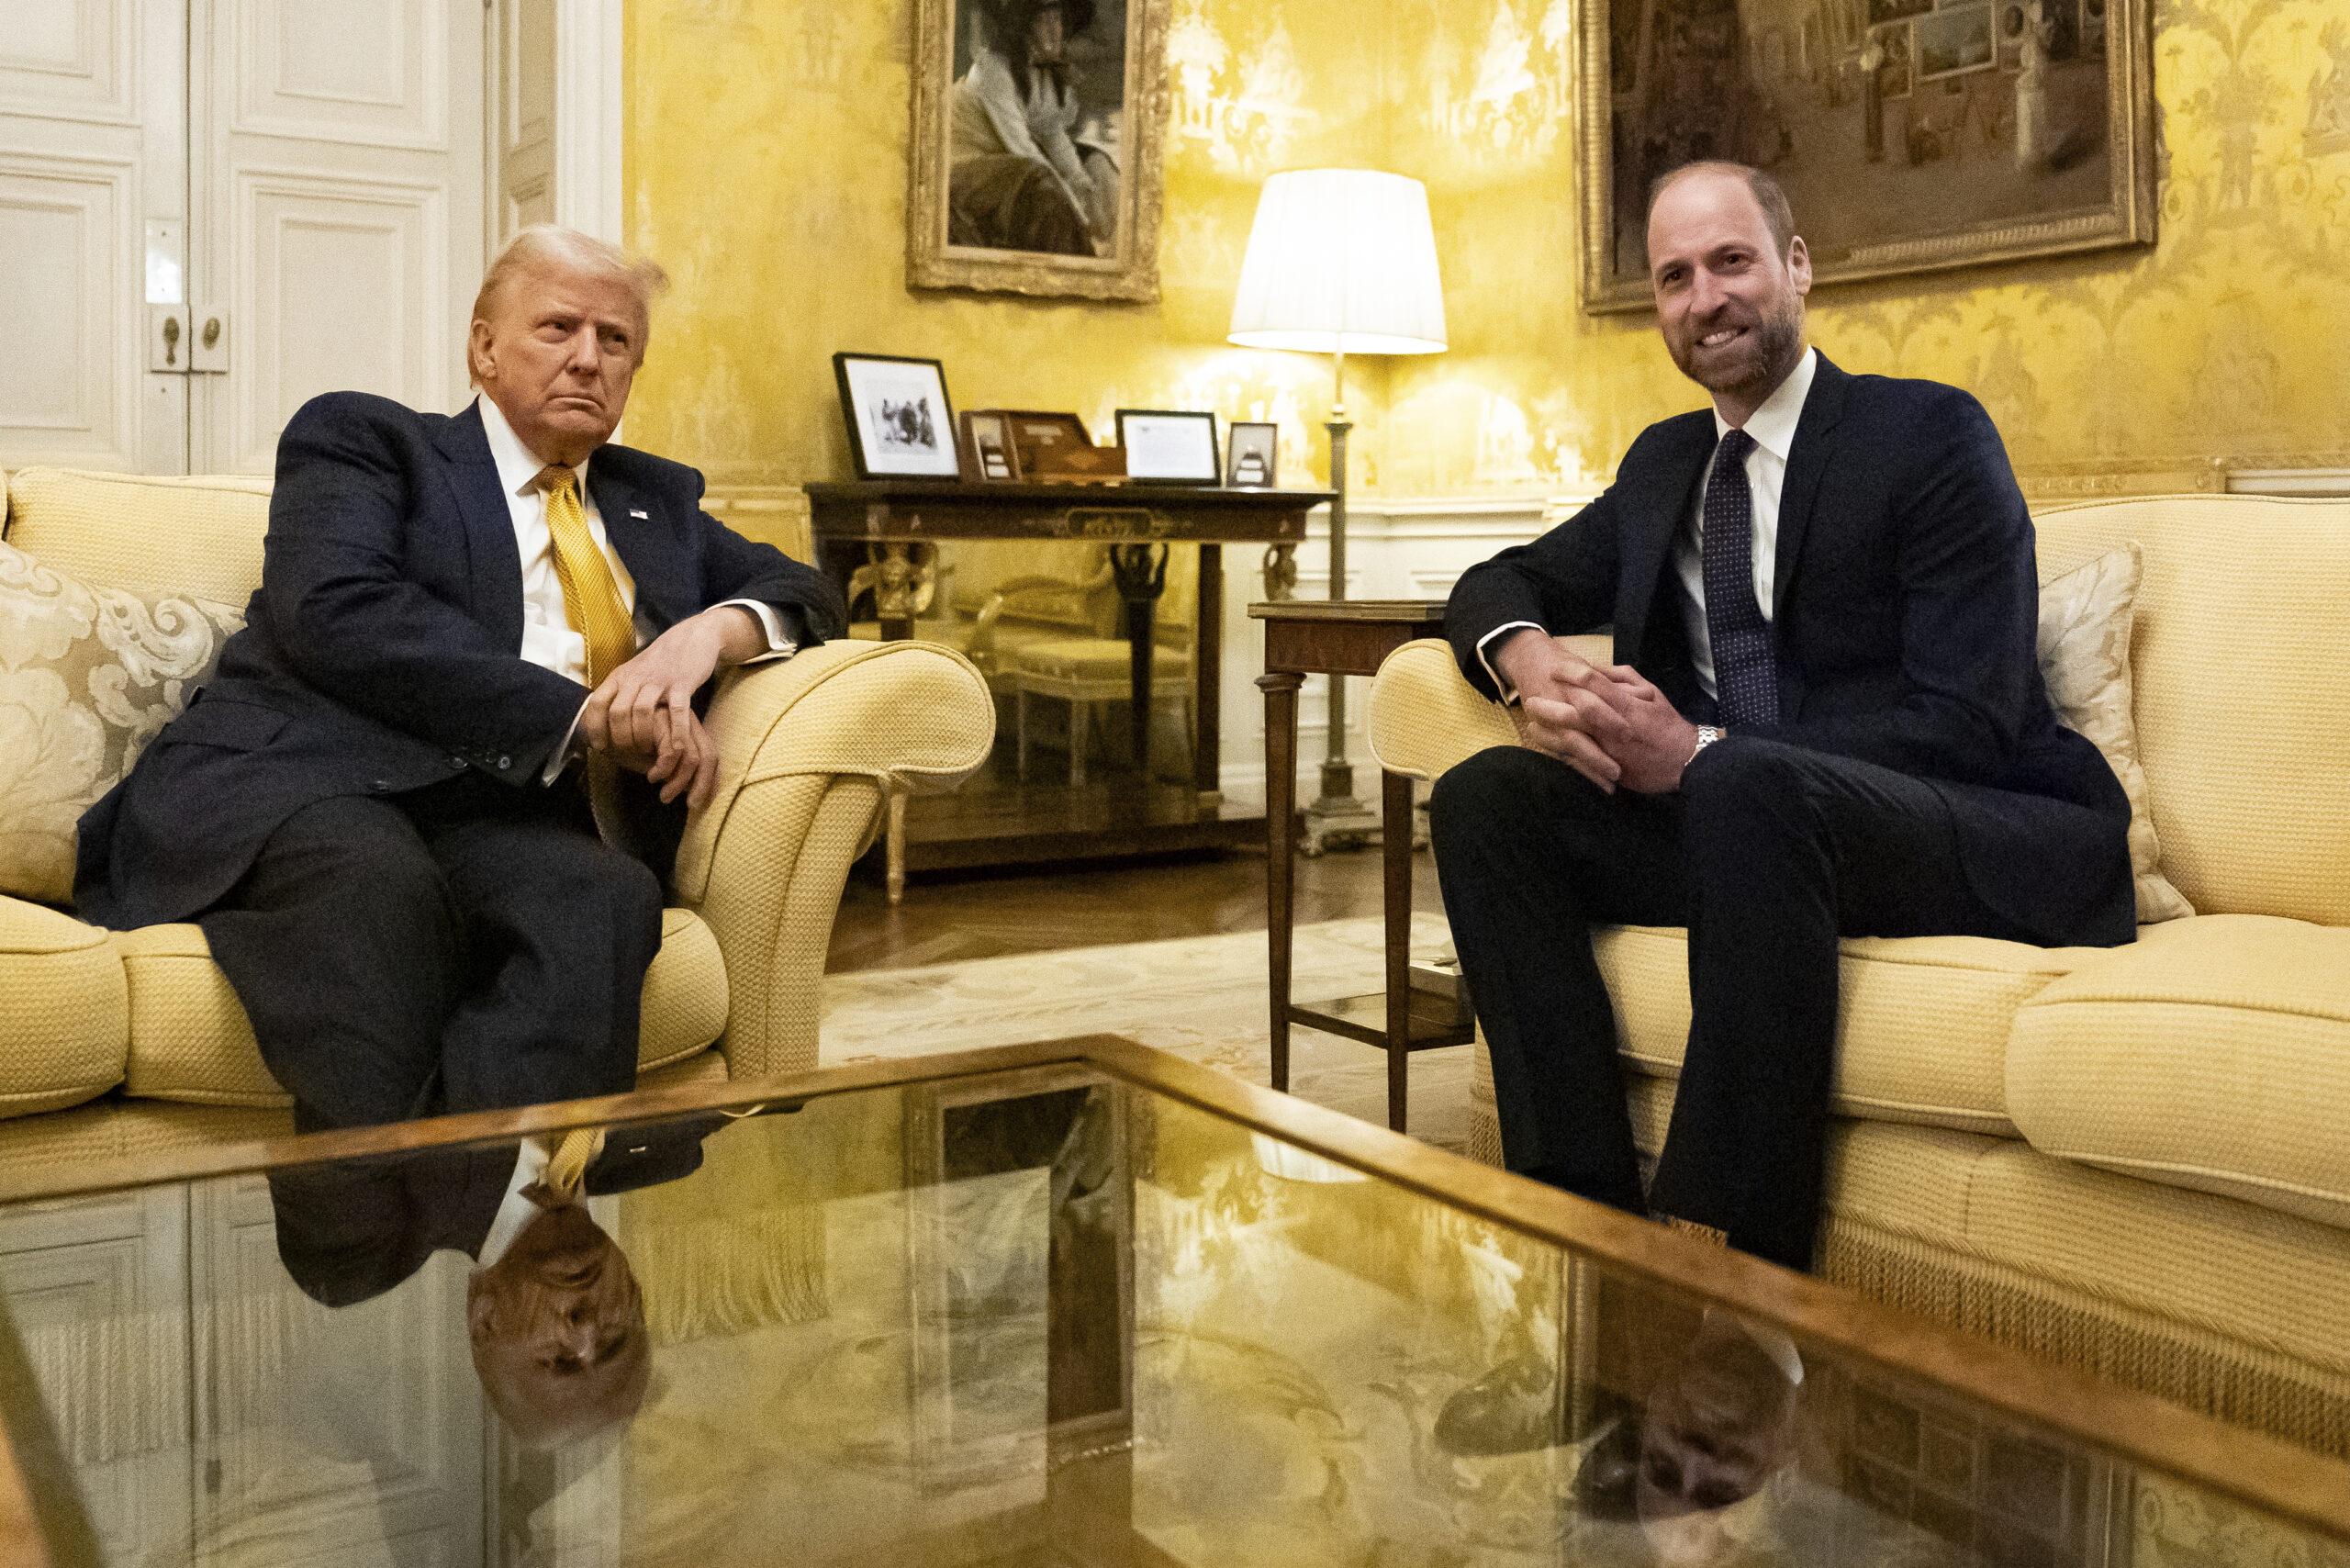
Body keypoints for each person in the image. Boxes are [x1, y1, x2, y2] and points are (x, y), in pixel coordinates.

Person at [1429, 162, 2132, 1273]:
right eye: (1673, 277)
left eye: (1730, 262)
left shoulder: (1928, 436)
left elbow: (1970, 720)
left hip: (1970, 821)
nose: (1703, 299)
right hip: (1751, 834)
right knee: (1486, 797)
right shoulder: (1667, 464)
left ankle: (1724, 1264)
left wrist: (1700, 749)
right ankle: (1576, 1225)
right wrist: (1523, 661)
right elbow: (1494, 579)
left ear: (1795, 267)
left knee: (1737, 781)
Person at [73, 225, 846, 1132]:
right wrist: (587, 718)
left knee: (604, 897)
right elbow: (342, 612)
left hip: (498, 814)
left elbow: (805, 589)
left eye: (616, 341)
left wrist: (707, 636)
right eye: (558, 329)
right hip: (313, 783)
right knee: (379, 892)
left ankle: (528, 1227)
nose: (589, 359)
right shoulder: (367, 444)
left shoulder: (652, 503)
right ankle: (376, 1242)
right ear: (483, 346)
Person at [949, 0, 1118, 255]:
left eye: (1057, 20)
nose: (1054, 31)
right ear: (1024, 28)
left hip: (1002, 158)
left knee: (1096, 165)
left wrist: (1080, 182)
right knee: (1044, 186)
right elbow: (1022, 149)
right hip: (964, 164)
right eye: (1043, 21)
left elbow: (1053, 134)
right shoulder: (994, 69)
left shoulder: (1042, 73)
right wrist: (1076, 210)